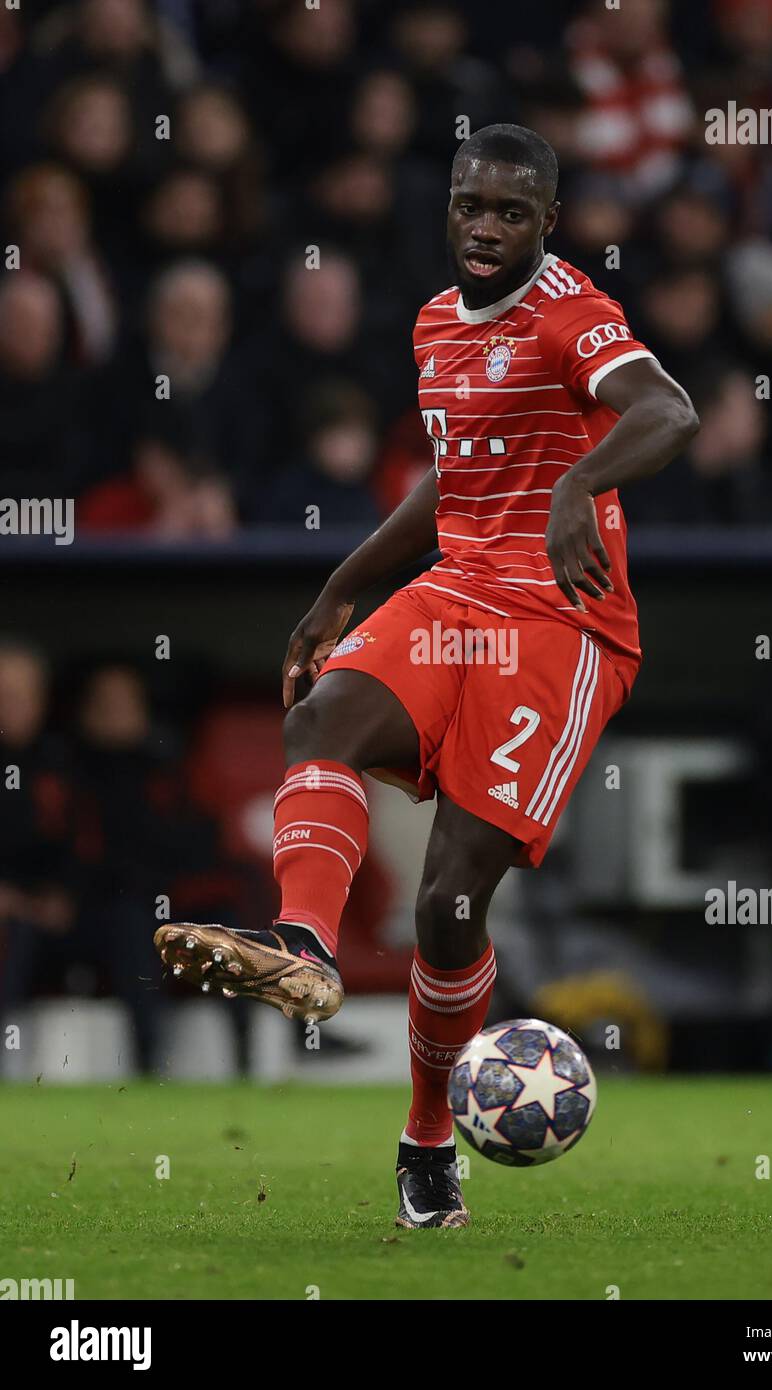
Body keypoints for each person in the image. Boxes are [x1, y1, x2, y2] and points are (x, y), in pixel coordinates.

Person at [155, 124, 698, 1228]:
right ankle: (302, 942)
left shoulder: (572, 314)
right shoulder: (435, 323)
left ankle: (427, 1140)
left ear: (548, 222)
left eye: (510, 211)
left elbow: (667, 410)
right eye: (469, 206)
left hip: (561, 625)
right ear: (447, 207)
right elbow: (447, 490)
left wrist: (576, 484)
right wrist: (339, 586)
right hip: (457, 596)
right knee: (324, 718)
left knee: (450, 904)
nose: (485, 228)